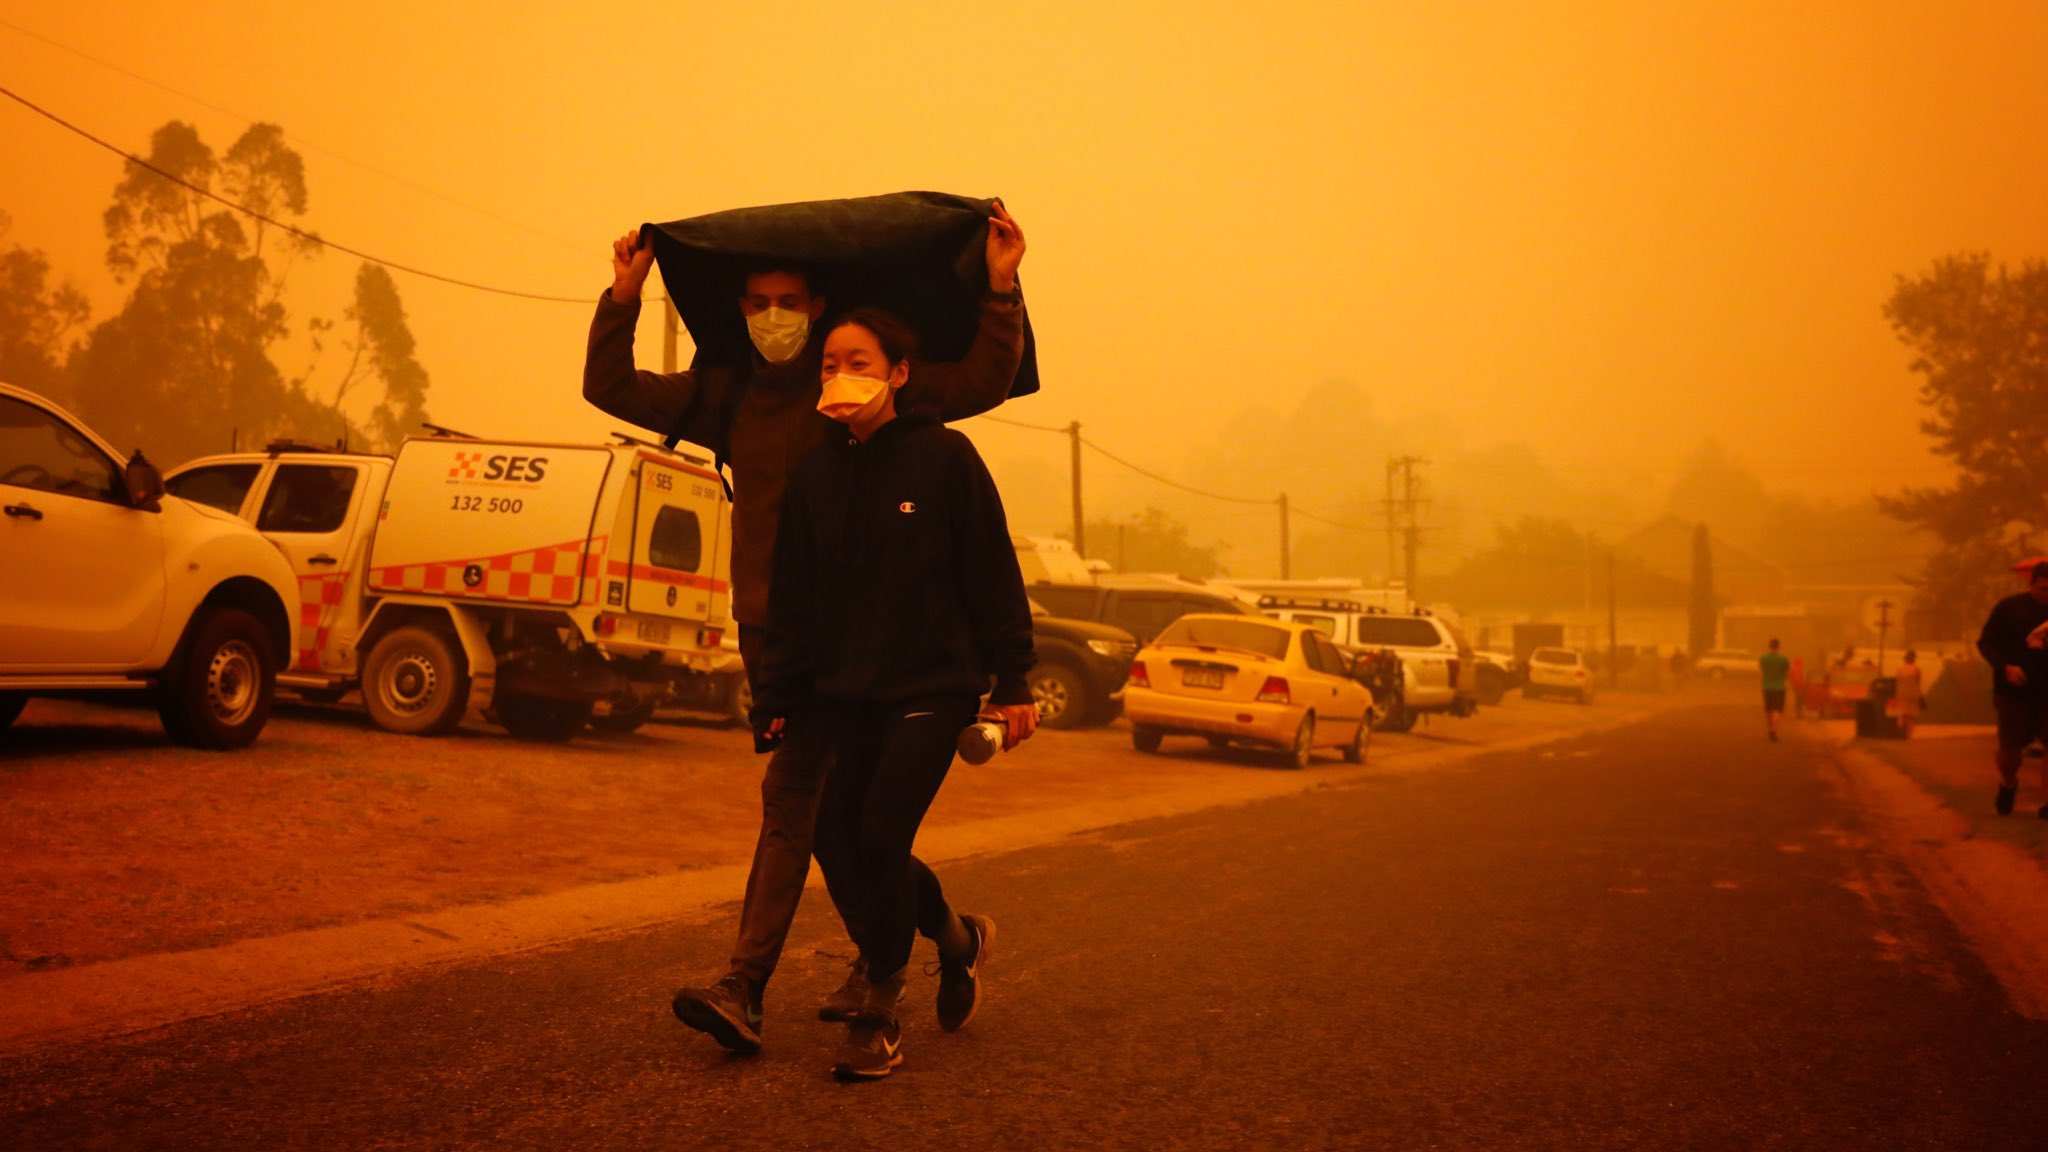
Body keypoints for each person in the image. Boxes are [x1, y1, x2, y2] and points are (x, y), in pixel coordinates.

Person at [583, 204, 1030, 1052]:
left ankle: (774, 981)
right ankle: (922, 943)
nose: (773, 317)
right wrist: (622, 300)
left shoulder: (881, 400)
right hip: (780, 639)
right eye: (756, 303)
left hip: (884, 650)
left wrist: (1001, 290)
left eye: (789, 300)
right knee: (809, 813)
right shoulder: (727, 396)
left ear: (820, 310)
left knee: (843, 823)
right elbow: (613, 389)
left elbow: (979, 381)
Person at [752, 308, 1038, 1080]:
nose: (840, 374)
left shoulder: (946, 457)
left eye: (859, 360)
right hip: (845, 691)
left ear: (899, 373)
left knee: (878, 834)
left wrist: (1013, 682)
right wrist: (777, 690)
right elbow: (795, 595)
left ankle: (882, 1000)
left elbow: (991, 568)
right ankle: (953, 938)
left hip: (933, 684)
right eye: (829, 363)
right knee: (835, 837)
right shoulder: (815, 473)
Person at [1978, 562, 2048, 817]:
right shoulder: (2009, 608)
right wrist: (2005, 667)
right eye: (2043, 589)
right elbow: (1985, 643)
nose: (2047, 595)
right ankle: (2008, 783)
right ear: (2032, 584)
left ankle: (2046, 805)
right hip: (2013, 693)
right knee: (2010, 754)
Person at [1759, 638, 1789, 741]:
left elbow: (1762, 671)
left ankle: (1770, 729)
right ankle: (1774, 731)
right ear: (1778, 646)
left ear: (1769, 646)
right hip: (1779, 687)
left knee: (1768, 710)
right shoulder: (1783, 659)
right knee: (1777, 710)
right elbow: (1786, 672)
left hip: (1766, 687)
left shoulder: (1763, 658)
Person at [1891, 649, 1923, 737]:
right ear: (1913, 659)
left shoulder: (1899, 669)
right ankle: (1909, 734)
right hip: (1912, 695)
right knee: (1911, 716)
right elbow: (1918, 683)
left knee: (1902, 714)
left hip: (1901, 694)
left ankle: (1901, 732)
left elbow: (1897, 682)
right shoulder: (1917, 669)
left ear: (1905, 659)